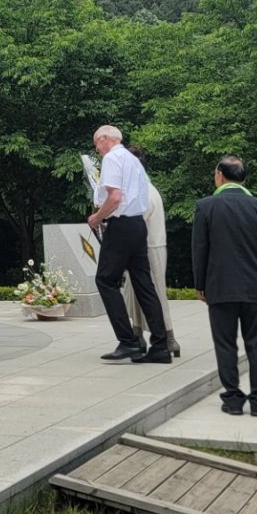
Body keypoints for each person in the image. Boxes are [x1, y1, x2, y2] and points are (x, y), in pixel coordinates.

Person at [191, 156, 257, 416]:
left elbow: (200, 249)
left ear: (219, 175)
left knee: (225, 344)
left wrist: (200, 284)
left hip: (220, 286)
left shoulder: (206, 206)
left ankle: (232, 399)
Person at [88, 126, 171, 364]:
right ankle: (160, 345)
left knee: (105, 280)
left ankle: (128, 341)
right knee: (144, 285)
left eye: (96, 143)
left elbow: (115, 197)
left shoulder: (112, 158)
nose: (97, 149)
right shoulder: (133, 161)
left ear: (105, 139)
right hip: (137, 225)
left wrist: (98, 217)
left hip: (121, 225)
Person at [122, 144, 180, 358]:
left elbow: (136, 220)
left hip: (149, 248)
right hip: (141, 247)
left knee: (154, 294)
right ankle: (137, 333)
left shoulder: (143, 190)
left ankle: (169, 337)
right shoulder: (143, 187)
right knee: (134, 293)